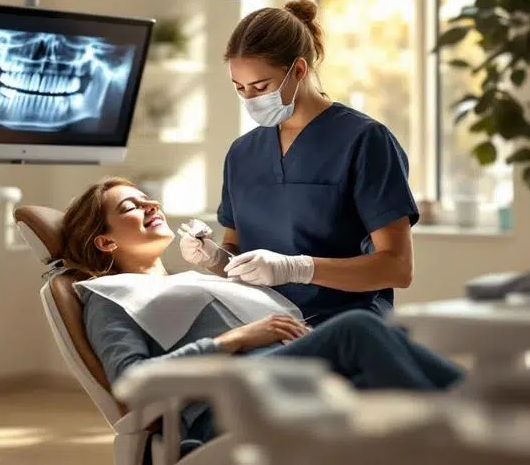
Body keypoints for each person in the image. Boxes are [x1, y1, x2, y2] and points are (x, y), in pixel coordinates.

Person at [59, 177, 463, 462]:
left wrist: (219, 262)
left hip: (280, 377)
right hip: (227, 403)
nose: (151, 205)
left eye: (147, 198)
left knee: (387, 359)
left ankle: (496, 416)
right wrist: (234, 339)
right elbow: (134, 381)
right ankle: (471, 433)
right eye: (131, 206)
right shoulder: (108, 297)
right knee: (357, 329)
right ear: (106, 241)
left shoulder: (186, 280)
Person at [178, 0, 418, 324]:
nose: (250, 99)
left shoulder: (364, 141)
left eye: (261, 86)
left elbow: (397, 268)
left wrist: (298, 268)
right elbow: (237, 254)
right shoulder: (241, 154)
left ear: (299, 69)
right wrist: (214, 257)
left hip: (344, 327)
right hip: (262, 326)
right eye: (240, 88)